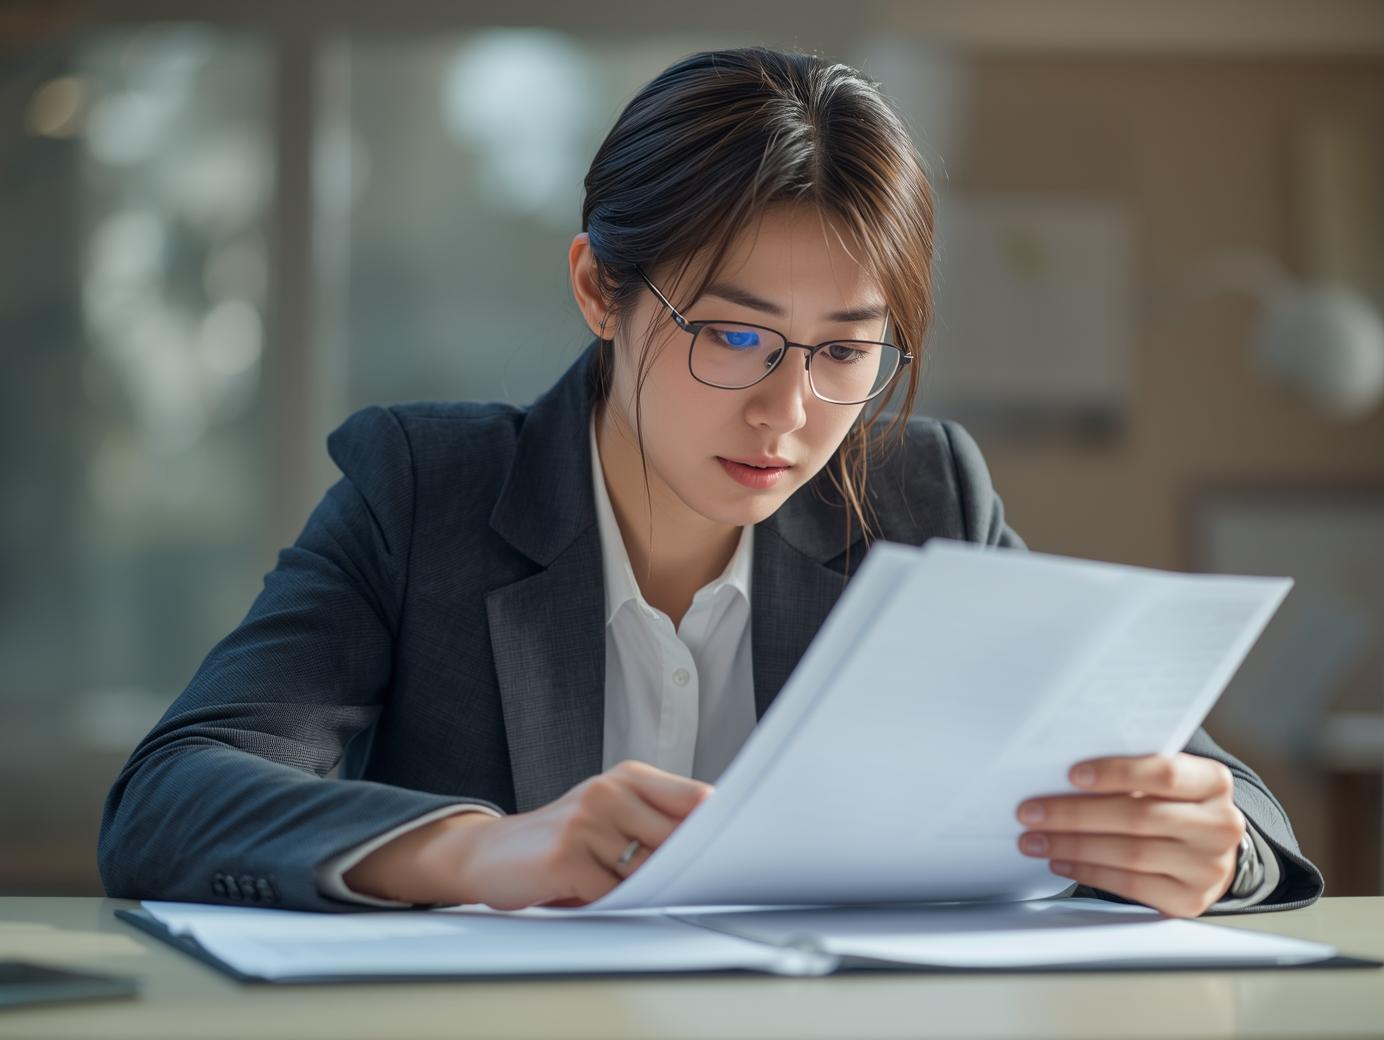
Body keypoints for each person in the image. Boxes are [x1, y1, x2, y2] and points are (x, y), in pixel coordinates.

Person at [97, 46, 1323, 919]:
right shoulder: (429, 487)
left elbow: (1233, 799)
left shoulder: (920, 494)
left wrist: (1216, 846)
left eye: (845, 350)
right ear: (598, 288)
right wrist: (481, 850)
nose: (790, 414)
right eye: (733, 335)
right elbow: (170, 795)